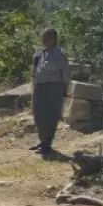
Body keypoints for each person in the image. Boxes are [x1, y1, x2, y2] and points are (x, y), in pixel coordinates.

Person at [31, 27, 70, 156]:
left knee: (51, 116)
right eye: (43, 37)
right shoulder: (42, 53)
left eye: (47, 37)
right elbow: (37, 72)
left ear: (54, 39)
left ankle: (47, 144)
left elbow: (65, 74)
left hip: (54, 87)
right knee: (39, 115)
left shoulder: (59, 54)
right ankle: (42, 141)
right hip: (40, 87)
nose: (44, 40)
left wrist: (64, 91)